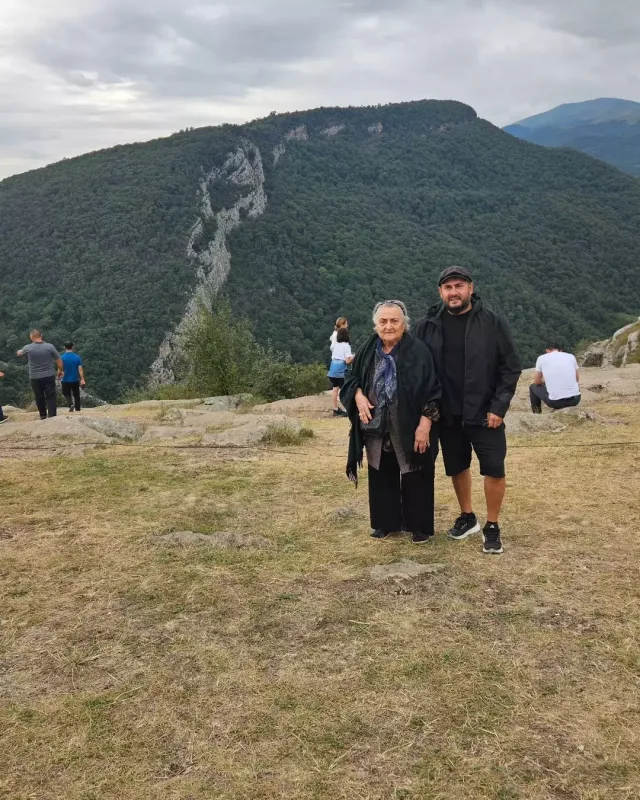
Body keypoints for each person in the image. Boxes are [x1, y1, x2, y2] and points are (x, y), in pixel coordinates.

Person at [415, 267, 521, 554]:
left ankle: (492, 525)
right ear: (440, 292)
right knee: (457, 466)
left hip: (486, 413)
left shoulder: (492, 323)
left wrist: (499, 406)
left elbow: (510, 367)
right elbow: (414, 364)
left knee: (494, 469)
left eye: (459, 286)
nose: (454, 292)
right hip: (448, 413)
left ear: (470, 289)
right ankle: (468, 516)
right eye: (448, 287)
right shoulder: (428, 326)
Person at [341, 301, 441, 544]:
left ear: (404, 324)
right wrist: (358, 395)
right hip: (376, 425)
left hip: (410, 424)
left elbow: (434, 389)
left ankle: (418, 526)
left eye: (394, 321)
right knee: (381, 473)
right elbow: (351, 377)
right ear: (376, 325)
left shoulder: (418, 351)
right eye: (383, 321)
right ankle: (385, 523)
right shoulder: (367, 350)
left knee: (415, 471)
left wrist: (425, 424)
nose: (388, 326)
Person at [17, 330, 63, 420]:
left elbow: (19, 353)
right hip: (49, 375)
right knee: (51, 396)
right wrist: (61, 370)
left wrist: (19, 351)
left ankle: (43, 415)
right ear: (41, 335)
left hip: (35, 377)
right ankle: (52, 416)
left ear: (31, 337)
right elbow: (59, 360)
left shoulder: (28, 348)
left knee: (39, 396)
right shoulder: (50, 346)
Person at [530, 343, 580, 413]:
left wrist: (546, 381)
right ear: (561, 350)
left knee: (532, 387)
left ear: (547, 350)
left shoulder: (541, 358)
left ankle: (537, 413)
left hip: (555, 402)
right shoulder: (571, 356)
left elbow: (537, 382)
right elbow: (576, 379)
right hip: (575, 399)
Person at [328, 327, 354, 417]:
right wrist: (354, 356)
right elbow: (347, 361)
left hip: (332, 370)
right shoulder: (346, 346)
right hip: (340, 372)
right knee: (345, 390)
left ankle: (335, 409)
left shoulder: (335, 345)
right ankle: (347, 409)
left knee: (335, 389)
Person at [59, 342, 86, 412]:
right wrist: (82, 379)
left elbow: (60, 369)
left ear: (64, 347)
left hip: (65, 379)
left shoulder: (61, 358)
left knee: (66, 393)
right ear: (72, 347)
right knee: (76, 394)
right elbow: (80, 369)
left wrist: (58, 375)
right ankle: (77, 408)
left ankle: (70, 404)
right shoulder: (77, 357)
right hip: (75, 379)